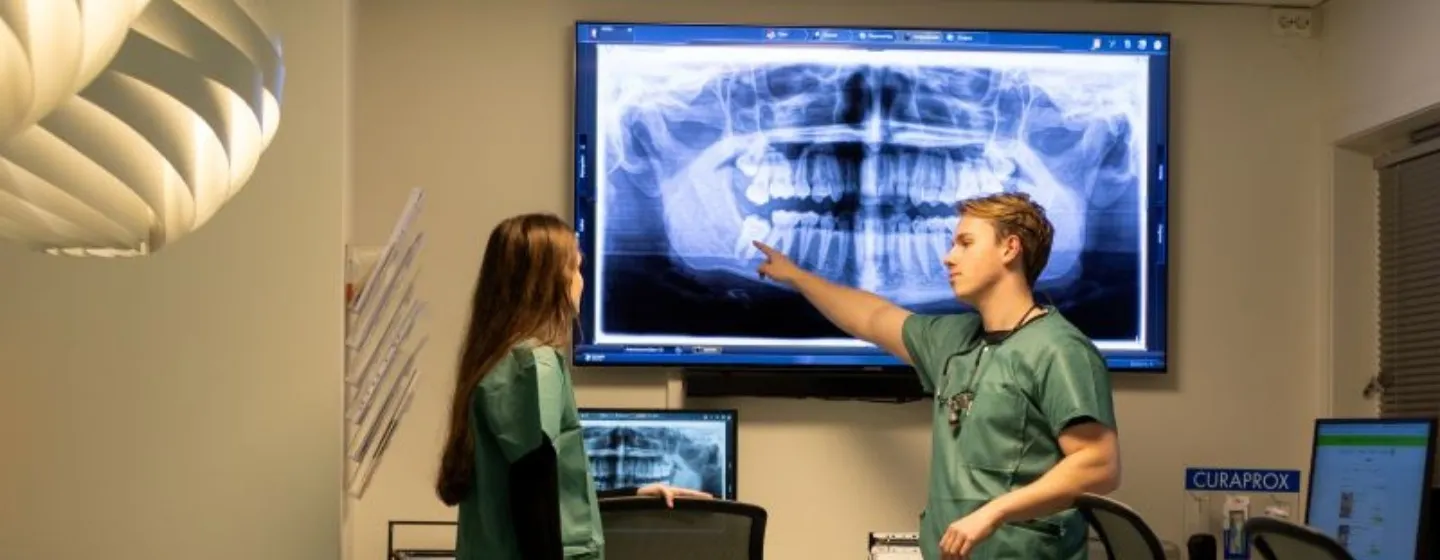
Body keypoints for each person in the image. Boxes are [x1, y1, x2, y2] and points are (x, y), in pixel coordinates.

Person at [753, 192, 1120, 560]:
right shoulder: (953, 341)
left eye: (965, 243)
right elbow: (871, 317)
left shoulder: (1060, 349)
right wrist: (797, 277)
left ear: (1010, 249)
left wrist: (995, 512)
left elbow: (1098, 465)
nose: (949, 257)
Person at [436, 212, 712, 560]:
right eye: (576, 269)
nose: (581, 282)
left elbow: (539, 492)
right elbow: (534, 500)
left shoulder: (497, 360)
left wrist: (632, 494)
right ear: (548, 281)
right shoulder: (535, 365)